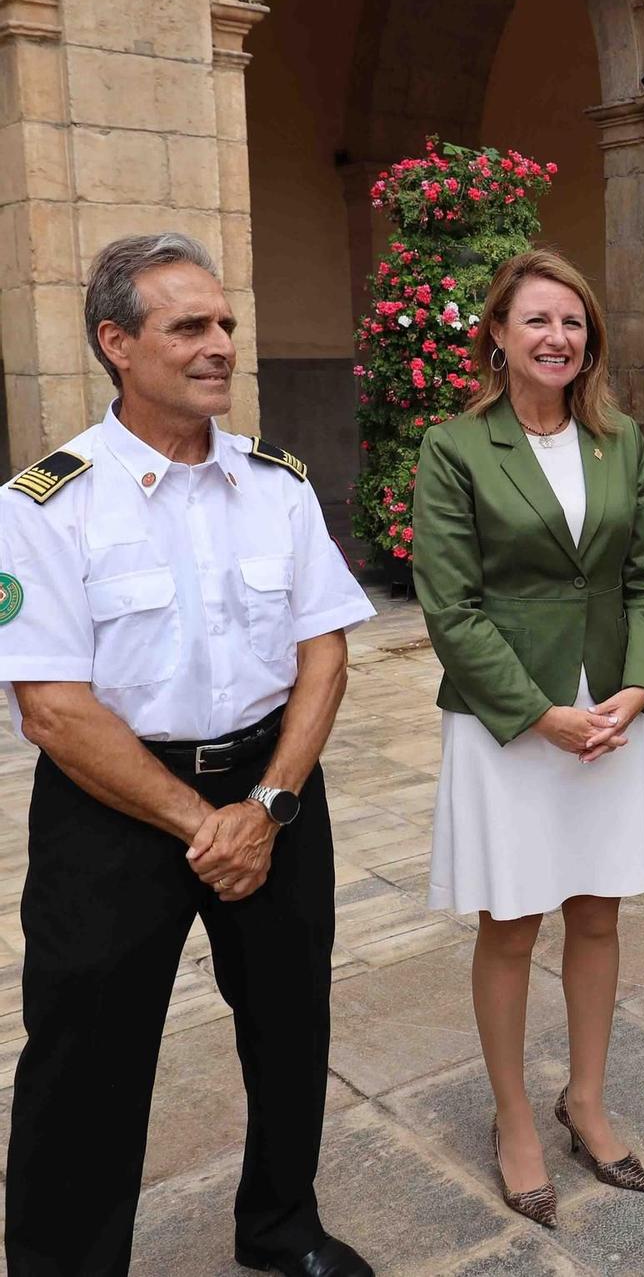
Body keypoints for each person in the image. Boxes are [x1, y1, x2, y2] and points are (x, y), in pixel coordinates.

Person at [0, 234, 376, 1276]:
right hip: (110, 806)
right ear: (116, 342)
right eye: (189, 327)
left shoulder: (275, 483)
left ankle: (281, 1225)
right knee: (85, 1055)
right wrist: (202, 823)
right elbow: (55, 711)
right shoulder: (46, 504)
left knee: (291, 1024)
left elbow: (325, 655)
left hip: (273, 787)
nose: (219, 346)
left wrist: (266, 804)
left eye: (224, 325)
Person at [413, 249, 644, 1227]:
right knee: (511, 923)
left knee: (599, 915)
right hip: (508, 722)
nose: (558, 337)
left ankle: (587, 1100)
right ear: (498, 335)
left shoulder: (617, 440)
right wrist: (537, 712)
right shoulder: (456, 446)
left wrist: (641, 683)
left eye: (572, 322)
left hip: (607, 714)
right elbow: (450, 602)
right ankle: (514, 1114)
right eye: (537, 321)